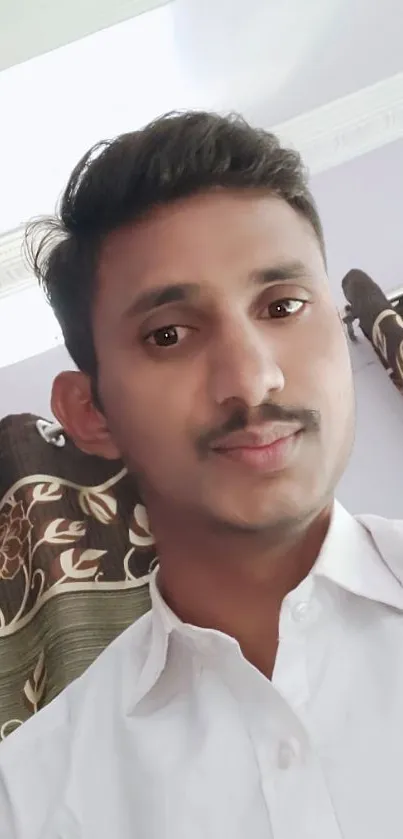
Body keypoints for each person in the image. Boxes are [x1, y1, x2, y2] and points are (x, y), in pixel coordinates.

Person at [1, 111, 402, 839]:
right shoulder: (31, 797)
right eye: (169, 335)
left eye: (282, 306)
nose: (252, 379)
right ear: (90, 412)